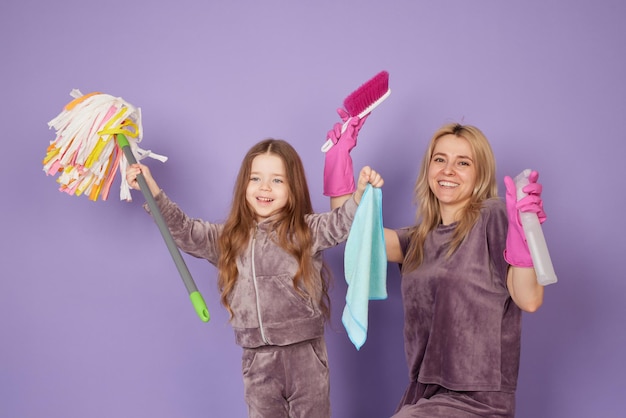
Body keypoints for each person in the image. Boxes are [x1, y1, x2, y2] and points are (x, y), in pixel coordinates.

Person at [126, 138, 383, 418]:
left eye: (277, 181)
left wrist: (358, 196)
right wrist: (153, 192)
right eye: (256, 178)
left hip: (305, 357)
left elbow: (340, 224)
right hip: (258, 360)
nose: (264, 187)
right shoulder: (230, 238)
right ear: (244, 186)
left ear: (293, 189)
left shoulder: (306, 231)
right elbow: (186, 231)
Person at [329, 122, 548, 417]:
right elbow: (353, 236)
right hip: (422, 395)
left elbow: (529, 299)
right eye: (440, 159)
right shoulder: (418, 240)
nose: (448, 170)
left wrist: (523, 244)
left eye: (463, 163)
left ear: (480, 173)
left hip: (479, 401)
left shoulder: (494, 218)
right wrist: (337, 163)